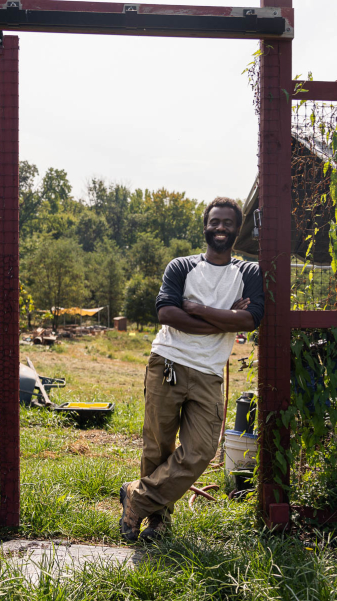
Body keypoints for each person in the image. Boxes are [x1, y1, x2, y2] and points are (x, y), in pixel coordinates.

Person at [119, 197, 264, 542]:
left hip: (209, 371)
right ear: (205, 225)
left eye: (228, 223)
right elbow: (167, 314)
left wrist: (196, 309)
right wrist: (224, 317)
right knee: (158, 447)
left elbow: (251, 319)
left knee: (201, 449)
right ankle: (158, 522)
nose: (220, 228)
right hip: (168, 361)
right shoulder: (181, 267)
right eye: (215, 222)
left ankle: (135, 498)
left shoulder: (248, 272)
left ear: (237, 228)